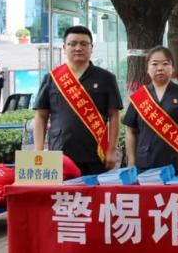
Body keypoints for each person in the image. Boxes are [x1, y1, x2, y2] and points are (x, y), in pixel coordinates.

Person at [34, 26, 123, 175]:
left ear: (91, 47)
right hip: (60, 154)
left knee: (93, 191)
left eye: (84, 44)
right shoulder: (52, 78)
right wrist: (39, 151)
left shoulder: (106, 78)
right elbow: (41, 116)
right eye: (73, 44)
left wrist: (112, 150)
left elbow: (114, 116)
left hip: (95, 154)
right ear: (64, 47)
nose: (78, 48)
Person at [124, 47, 178, 174]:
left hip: (177, 162)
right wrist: (131, 162)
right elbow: (130, 131)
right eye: (154, 64)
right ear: (147, 68)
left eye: (165, 63)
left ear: (172, 67)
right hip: (146, 163)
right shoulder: (138, 97)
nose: (160, 68)